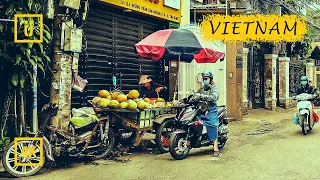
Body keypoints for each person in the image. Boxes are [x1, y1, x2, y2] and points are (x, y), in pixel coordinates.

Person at [192, 70, 220, 157]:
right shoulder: (203, 88)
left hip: (211, 109)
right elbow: (197, 94)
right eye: (203, 79)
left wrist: (202, 96)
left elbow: (214, 97)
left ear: (210, 79)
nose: (204, 80)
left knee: (212, 124)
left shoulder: (214, 87)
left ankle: (215, 147)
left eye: (206, 78)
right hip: (202, 108)